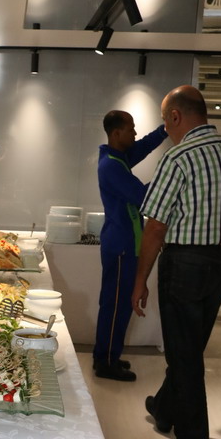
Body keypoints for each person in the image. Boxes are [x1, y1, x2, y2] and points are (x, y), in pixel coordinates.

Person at [132, 85, 221, 439]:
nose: (166, 129)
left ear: (176, 116)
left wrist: (140, 280)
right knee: (191, 346)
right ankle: (164, 406)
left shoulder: (179, 157)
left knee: (185, 356)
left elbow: (155, 227)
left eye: (165, 121)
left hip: (186, 264)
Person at [94, 110, 168, 381]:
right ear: (116, 134)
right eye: (131, 130)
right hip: (121, 246)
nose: (135, 134)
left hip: (125, 243)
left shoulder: (118, 157)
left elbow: (143, 146)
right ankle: (105, 362)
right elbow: (142, 196)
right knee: (115, 306)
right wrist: (169, 176)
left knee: (119, 304)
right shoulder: (111, 166)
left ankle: (109, 355)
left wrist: (164, 129)